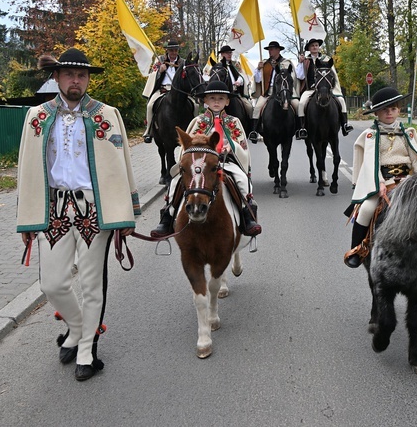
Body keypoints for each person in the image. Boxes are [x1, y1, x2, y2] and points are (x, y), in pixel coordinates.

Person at [16, 48, 141, 382]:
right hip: (54, 208)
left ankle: (86, 349)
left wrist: (126, 214)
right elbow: (27, 169)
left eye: (82, 75)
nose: (76, 81)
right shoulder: (37, 117)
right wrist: (27, 217)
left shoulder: (107, 115)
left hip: (93, 210)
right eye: (69, 74)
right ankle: (76, 327)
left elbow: (122, 165)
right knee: (52, 283)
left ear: (88, 79)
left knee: (91, 283)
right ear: (56, 77)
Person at [150, 81, 261, 238]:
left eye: (221, 98)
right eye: (212, 98)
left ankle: (247, 217)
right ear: (205, 101)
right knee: (176, 181)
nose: (216, 102)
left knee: (242, 180)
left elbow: (242, 145)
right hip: (202, 164)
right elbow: (188, 145)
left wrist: (231, 147)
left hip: (227, 162)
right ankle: (167, 217)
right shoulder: (198, 122)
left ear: (227, 101)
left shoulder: (234, 122)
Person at [344, 87, 417, 268]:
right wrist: (379, 183)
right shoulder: (371, 135)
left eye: (393, 108)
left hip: (408, 182)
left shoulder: (409, 133)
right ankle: (357, 249)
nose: (389, 112)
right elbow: (370, 163)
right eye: (384, 109)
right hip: (382, 181)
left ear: (399, 110)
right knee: (367, 208)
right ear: (376, 113)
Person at [295, 38, 353, 139]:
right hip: (311, 89)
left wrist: (332, 88)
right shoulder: (305, 61)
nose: (315, 47)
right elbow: (300, 76)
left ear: (319, 47)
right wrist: (300, 63)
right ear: (309, 48)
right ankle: (302, 128)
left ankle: (344, 125)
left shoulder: (326, 59)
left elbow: (333, 75)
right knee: (301, 104)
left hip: (326, 89)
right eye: (312, 46)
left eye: (316, 45)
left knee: (341, 101)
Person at [248, 41, 300, 144]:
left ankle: (300, 129)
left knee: (298, 105)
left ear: (278, 50)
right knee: (257, 108)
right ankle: (254, 131)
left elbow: (292, 77)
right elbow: (258, 80)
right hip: (268, 91)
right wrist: (258, 69)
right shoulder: (264, 63)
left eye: (272, 49)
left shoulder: (286, 63)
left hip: (284, 91)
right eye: (269, 49)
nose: (270, 51)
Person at [142, 40, 183, 143]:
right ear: (167, 51)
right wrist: (159, 71)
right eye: (171, 50)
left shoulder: (183, 62)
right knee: (150, 106)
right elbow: (152, 74)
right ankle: (148, 131)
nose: (173, 52)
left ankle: (195, 130)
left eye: (175, 50)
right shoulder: (160, 60)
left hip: (178, 91)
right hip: (163, 89)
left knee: (194, 105)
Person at [216, 44, 253, 119]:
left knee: (249, 108)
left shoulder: (235, 65)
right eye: (227, 53)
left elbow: (241, 76)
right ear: (222, 54)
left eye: (230, 53)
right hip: (222, 94)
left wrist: (239, 81)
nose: (229, 54)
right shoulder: (218, 66)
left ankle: (252, 129)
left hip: (236, 93)